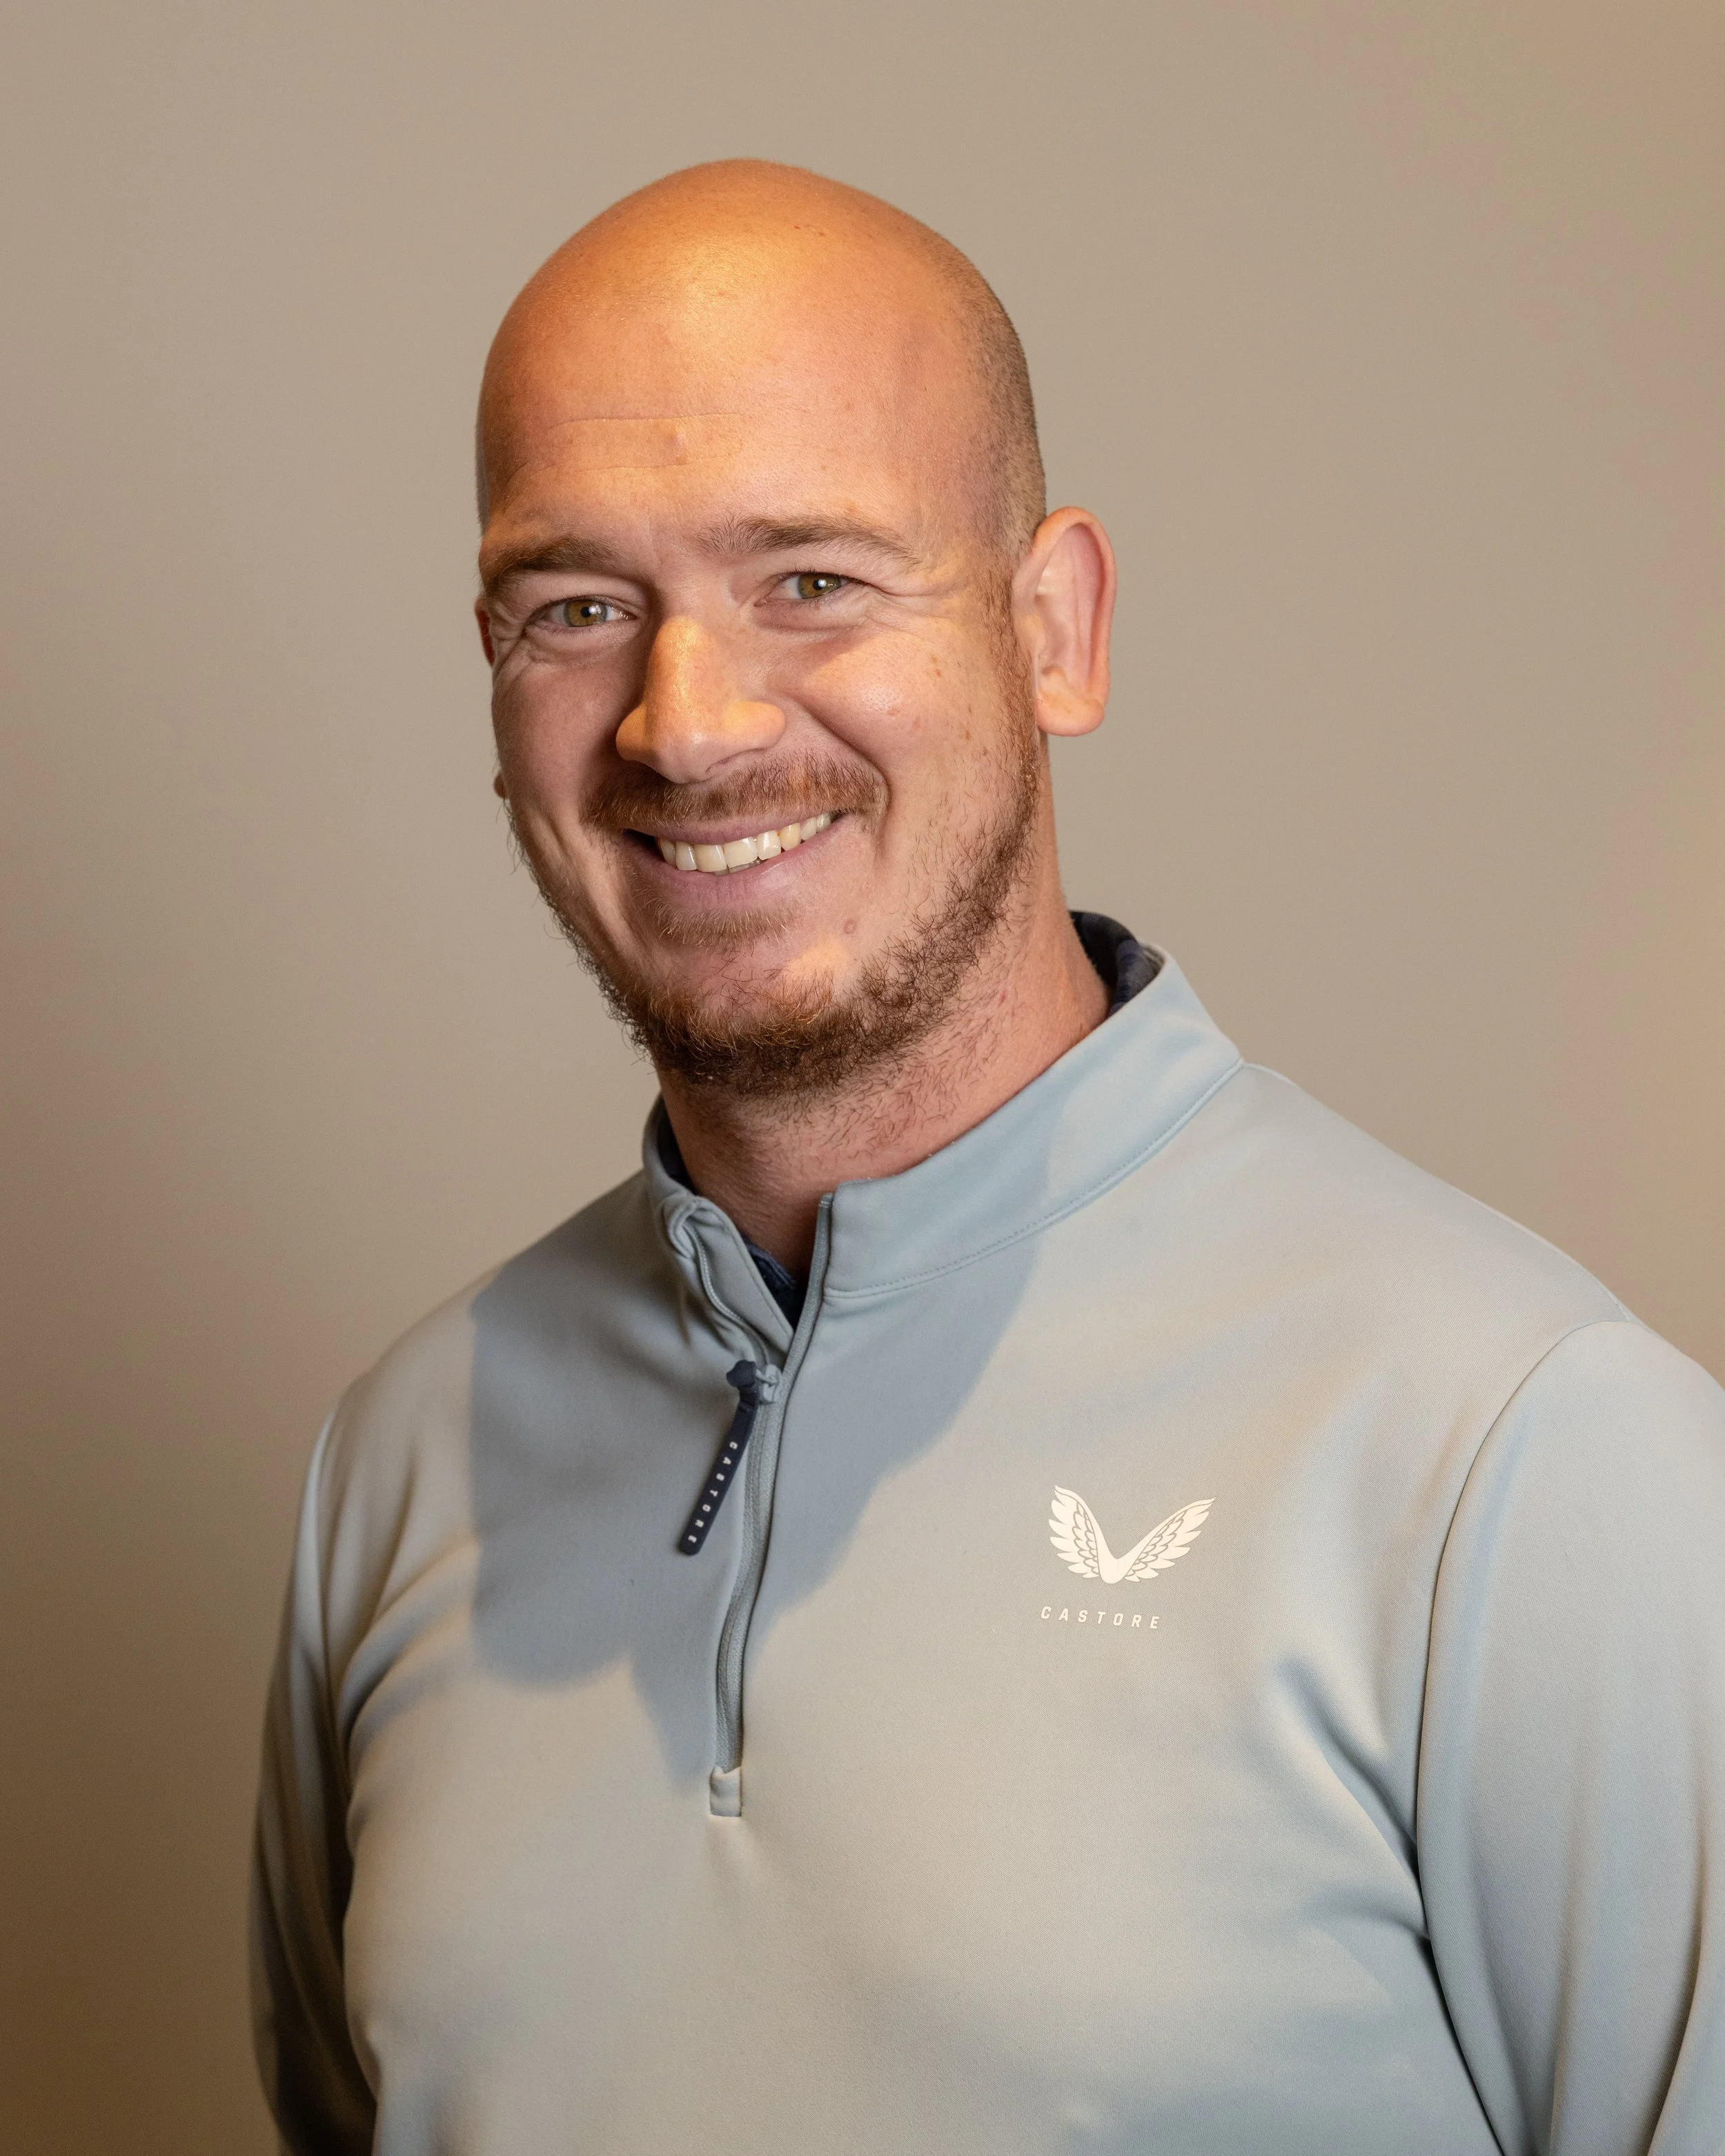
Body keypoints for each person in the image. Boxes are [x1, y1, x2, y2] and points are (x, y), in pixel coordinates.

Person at [252, 161, 1725, 2155]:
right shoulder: (402, 1460)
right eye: (577, 606)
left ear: (1055, 630)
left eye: (812, 579)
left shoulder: (1518, 1460)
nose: (684, 727)